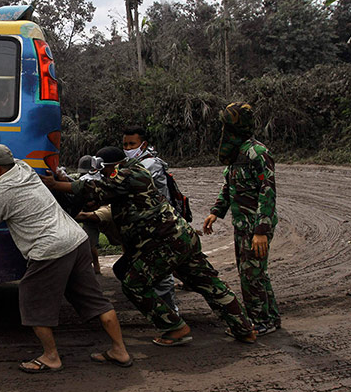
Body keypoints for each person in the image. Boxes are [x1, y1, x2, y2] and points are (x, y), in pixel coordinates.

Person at [0, 137, 132, 373]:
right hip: (76, 239)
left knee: (32, 300)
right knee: (95, 300)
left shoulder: (0, 192)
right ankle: (119, 350)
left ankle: (51, 357)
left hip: (49, 249)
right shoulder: (23, 167)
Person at [42, 146, 256, 346]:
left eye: (104, 170)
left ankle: (174, 327)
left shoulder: (131, 174)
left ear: (111, 166)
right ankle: (244, 329)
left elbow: (96, 188)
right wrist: (66, 182)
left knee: (134, 284)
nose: (103, 174)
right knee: (207, 283)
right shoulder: (125, 178)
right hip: (176, 240)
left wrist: (55, 185)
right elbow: (95, 189)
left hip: (163, 243)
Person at [203, 102, 281, 336]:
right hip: (242, 224)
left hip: (256, 226)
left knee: (251, 275)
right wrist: (216, 211)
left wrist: (261, 230)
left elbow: (268, 192)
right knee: (254, 273)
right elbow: (229, 186)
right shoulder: (236, 153)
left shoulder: (257, 153)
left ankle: (260, 321)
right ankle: (271, 317)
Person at [122, 126, 179, 313]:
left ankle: (171, 315)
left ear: (143, 144)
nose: (128, 148)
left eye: (132, 144)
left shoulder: (150, 165)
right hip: (149, 225)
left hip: (160, 224)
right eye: (125, 144)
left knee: (162, 273)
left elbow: (126, 185)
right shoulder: (134, 164)